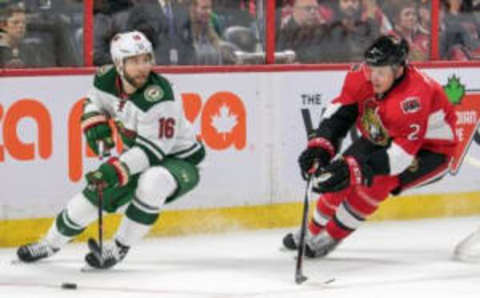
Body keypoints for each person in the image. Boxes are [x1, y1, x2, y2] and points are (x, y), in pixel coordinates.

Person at [16, 31, 206, 269]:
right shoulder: (105, 79)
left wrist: (113, 170)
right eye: (135, 61)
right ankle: (50, 243)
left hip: (179, 161)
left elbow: (151, 153)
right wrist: (94, 120)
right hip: (137, 155)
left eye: (146, 59)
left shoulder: (160, 96)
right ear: (118, 63)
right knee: (91, 198)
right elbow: (93, 101)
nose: (143, 67)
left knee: (152, 181)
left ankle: (117, 248)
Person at [282, 34, 458, 258]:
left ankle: (331, 236)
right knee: (337, 174)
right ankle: (312, 229)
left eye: (381, 72)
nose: (373, 77)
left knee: (376, 182)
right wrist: (320, 146)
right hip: (387, 136)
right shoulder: (360, 77)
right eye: (371, 69)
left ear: (399, 69)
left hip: (431, 151)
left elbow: (400, 157)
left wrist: (354, 169)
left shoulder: (413, 97)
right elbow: (340, 113)